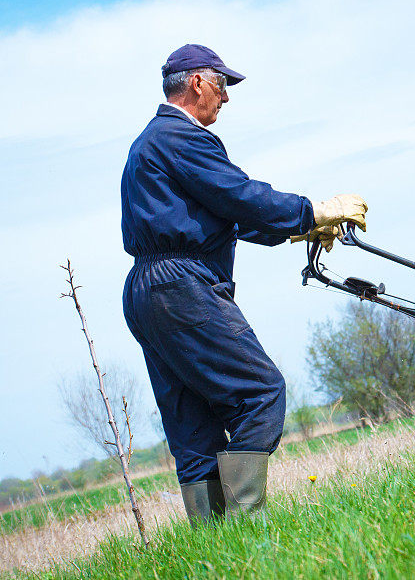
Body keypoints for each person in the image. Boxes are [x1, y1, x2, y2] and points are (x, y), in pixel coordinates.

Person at [120, 44, 367, 524]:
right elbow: (240, 195)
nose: (226, 98)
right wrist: (313, 210)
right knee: (262, 391)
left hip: (148, 290)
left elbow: (225, 216)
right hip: (181, 285)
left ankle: (216, 550)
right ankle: (245, 528)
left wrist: (300, 229)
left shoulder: (150, 143)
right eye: (222, 85)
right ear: (196, 82)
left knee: (193, 424)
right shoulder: (180, 137)